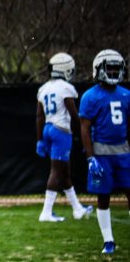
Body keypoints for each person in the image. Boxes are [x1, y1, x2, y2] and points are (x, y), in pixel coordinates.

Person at [79, 49, 130, 255]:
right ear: (98, 69)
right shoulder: (90, 96)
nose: (113, 72)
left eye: (116, 69)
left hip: (124, 151)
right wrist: (90, 158)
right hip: (101, 154)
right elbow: (84, 128)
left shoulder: (126, 94)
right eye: (109, 68)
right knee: (103, 196)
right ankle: (108, 241)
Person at [35, 53, 93, 222]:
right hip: (61, 131)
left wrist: (40, 139)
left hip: (47, 128)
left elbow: (39, 116)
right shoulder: (66, 88)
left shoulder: (43, 88)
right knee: (56, 171)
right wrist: (80, 135)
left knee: (64, 170)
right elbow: (74, 115)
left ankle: (77, 209)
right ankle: (46, 212)